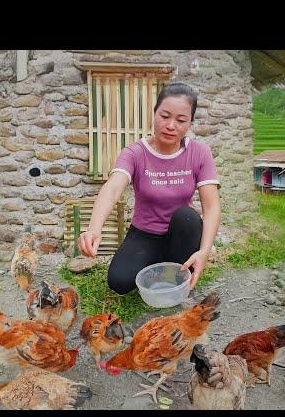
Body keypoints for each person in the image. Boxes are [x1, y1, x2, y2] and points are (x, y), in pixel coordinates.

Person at [78, 83, 221, 294]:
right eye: (164, 116)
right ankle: (157, 264)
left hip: (181, 234)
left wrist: (204, 251)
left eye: (181, 120)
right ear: (154, 114)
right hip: (144, 234)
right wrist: (94, 227)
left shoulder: (199, 152)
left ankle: (171, 268)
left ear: (190, 122)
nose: (171, 125)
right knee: (119, 282)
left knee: (186, 216)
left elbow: (211, 206)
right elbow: (113, 187)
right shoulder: (135, 153)